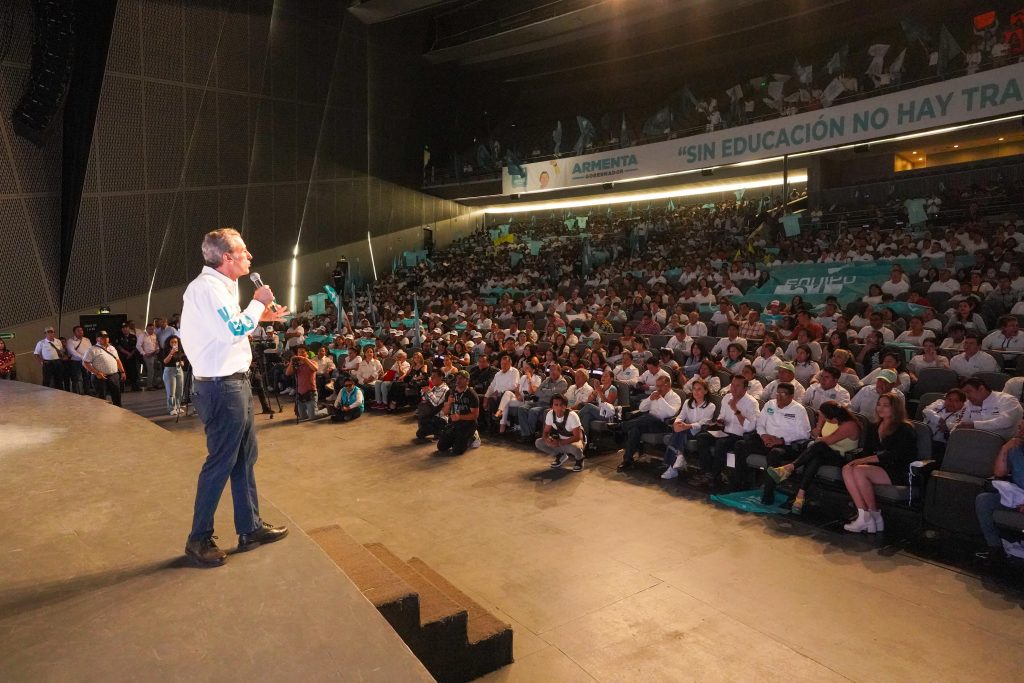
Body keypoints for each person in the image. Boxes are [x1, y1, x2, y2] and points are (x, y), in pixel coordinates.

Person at [179, 227, 289, 567]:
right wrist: (258, 304)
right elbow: (233, 331)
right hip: (220, 387)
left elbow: (231, 329)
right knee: (221, 462)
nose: (249, 256)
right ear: (227, 258)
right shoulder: (207, 289)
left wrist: (260, 315)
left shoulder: (222, 288)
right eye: (243, 252)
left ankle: (250, 527)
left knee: (244, 459)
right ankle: (199, 539)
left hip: (232, 384)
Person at [766, 401, 861, 514]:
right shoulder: (830, 417)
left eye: (825, 417)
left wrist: (818, 439)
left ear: (834, 417)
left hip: (842, 457)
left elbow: (828, 440)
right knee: (816, 457)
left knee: (819, 446)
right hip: (825, 453)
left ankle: (789, 468)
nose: (824, 419)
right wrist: (819, 425)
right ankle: (800, 495)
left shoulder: (849, 425)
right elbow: (817, 429)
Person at [842, 394, 917, 533]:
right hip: (878, 467)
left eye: (885, 405)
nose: (880, 408)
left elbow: (895, 455)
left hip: (898, 469)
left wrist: (863, 461)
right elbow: (867, 451)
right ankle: (864, 515)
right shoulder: (873, 426)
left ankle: (874, 514)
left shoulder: (905, 428)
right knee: (847, 469)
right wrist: (859, 460)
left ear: (895, 408)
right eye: (879, 404)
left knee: (859, 470)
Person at [736, 382, 811, 496]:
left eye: (783, 394)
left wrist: (781, 440)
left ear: (791, 396)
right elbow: (760, 425)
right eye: (778, 393)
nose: (779, 396)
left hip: (786, 445)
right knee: (741, 444)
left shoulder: (798, 410)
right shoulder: (769, 404)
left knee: (774, 453)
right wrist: (764, 436)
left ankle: (768, 492)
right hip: (766, 440)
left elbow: (804, 434)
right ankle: (741, 483)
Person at [694, 375, 759, 489]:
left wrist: (736, 410)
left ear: (745, 388)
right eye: (732, 385)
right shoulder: (726, 398)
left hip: (740, 436)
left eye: (737, 386)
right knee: (702, 437)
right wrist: (720, 421)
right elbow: (722, 416)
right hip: (725, 432)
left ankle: (715, 476)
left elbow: (751, 427)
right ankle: (707, 472)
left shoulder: (752, 403)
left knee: (721, 443)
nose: (733, 388)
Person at [975, 419, 1024, 572]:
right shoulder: (1015, 448)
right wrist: (1004, 449)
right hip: (1019, 494)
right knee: (984, 500)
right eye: (1020, 428)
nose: (1020, 433)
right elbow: (999, 473)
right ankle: (995, 548)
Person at [616, 375, 681, 471]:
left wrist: (660, 399)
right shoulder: (654, 393)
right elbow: (642, 408)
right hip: (648, 422)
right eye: (657, 386)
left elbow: (671, 413)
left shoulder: (675, 398)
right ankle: (627, 461)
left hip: (663, 425)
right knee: (635, 429)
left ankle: (621, 427)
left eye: (660, 386)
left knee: (651, 417)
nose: (658, 388)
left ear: (667, 386)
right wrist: (650, 399)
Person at [661, 378, 718, 479]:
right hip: (685, 429)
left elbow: (703, 422)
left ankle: (673, 465)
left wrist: (688, 426)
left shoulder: (710, 406)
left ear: (705, 391)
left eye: (699, 389)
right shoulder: (688, 402)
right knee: (679, 429)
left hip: (699, 432)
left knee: (680, 431)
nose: (696, 392)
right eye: (694, 389)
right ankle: (677, 459)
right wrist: (676, 423)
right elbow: (680, 416)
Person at [958, 377, 1024, 439]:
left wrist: (975, 425)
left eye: (968, 392)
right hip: (976, 441)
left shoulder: (1007, 400)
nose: (967, 396)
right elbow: (963, 424)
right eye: (964, 393)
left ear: (981, 389)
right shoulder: (969, 404)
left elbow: (1007, 421)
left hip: (1006, 443)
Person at [536, 394, 587, 472]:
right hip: (561, 440)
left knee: (575, 448)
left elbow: (578, 437)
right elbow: (546, 432)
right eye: (556, 405)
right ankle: (560, 455)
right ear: (552, 406)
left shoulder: (572, 416)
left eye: (562, 405)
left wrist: (559, 443)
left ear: (566, 406)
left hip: (576, 441)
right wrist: (547, 439)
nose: (559, 407)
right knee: (539, 442)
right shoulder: (550, 414)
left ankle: (579, 459)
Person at [438, 370, 480, 455]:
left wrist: (460, 417)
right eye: (457, 378)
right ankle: (457, 438)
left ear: (467, 381)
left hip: (468, 424)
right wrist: (449, 403)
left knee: (457, 451)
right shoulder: (450, 393)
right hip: (453, 423)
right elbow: (445, 412)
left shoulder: (472, 394)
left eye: (461, 378)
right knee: (441, 447)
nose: (458, 380)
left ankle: (474, 436)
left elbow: (475, 415)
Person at [82, 331, 126, 407]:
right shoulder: (92, 349)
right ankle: (102, 415)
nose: (105, 339)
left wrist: (122, 372)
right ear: (97, 339)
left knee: (117, 396)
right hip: (100, 377)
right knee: (101, 398)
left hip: (114, 375)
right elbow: (85, 363)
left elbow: (117, 360)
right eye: (102, 337)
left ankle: (119, 413)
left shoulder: (112, 348)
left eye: (106, 337)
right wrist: (96, 373)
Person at [921, 388, 966, 460]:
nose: (951, 403)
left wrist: (946, 427)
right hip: (923, 438)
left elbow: (956, 426)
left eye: (956, 401)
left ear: (962, 403)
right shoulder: (939, 402)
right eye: (949, 399)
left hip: (941, 444)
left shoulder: (964, 412)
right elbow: (925, 411)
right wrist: (939, 419)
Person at [415, 368, 450, 440]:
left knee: (421, 432)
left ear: (441, 377)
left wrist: (428, 391)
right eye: (431, 376)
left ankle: (441, 430)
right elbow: (426, 400)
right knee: (419, 434)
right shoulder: (435, 387)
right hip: (432, 415)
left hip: (440, 418)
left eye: (434, 377)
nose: (432, 378)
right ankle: (436, 431)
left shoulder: (445, 389)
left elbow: (436, 403)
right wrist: (424, 392)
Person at [161, 335, 187, 415]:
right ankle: (171, 408)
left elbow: (183, 358)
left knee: (179, 390)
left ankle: (178, 406)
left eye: (175, 342)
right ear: (169, 343)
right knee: (171, 391)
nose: (174, 343)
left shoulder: (180, 349)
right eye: (172, 342)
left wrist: (182, 362)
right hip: (169, 370)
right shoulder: (166, 350)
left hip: (179, 369)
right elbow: (165, 361)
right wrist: (171, 353)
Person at [65, 325, 93, 395]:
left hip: (86, 362)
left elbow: (91, 350)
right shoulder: (70, 341)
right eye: (78, 331)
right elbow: (72, 352)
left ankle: (87, 392)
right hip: (76, 362)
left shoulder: (87, 340)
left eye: (81, 330)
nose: (80, 332)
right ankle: (77, 394)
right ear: (74, 332)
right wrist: (83, 357)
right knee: (77, 379)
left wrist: (89, 358)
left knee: (86, 377)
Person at [116, 322, 140, 391]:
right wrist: (127, 353)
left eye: (126, 328)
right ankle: (121, 388)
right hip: (123, 357)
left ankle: (134, 387)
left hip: (132, 357)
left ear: (129, 329)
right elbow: (119, 347)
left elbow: (136, 347)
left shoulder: (133, 337)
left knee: (133, 372)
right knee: (122, 372)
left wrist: (131, 354)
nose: (125, 329)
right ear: (122, 329)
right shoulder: (119, 337)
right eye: (123, 328)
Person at [137, 322, 160, 389]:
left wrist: (158, 348)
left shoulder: (154, 335)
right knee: (151, 370)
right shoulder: (142, 335)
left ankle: (155, 384)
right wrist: (144, 353)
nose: (151, 330)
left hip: (155, 354)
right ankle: (149, 386)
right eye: (150, 329)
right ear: (146, 329)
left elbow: (156, 343)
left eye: (153, 329)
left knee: (156, 370)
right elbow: (138, 345)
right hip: (148, 355)